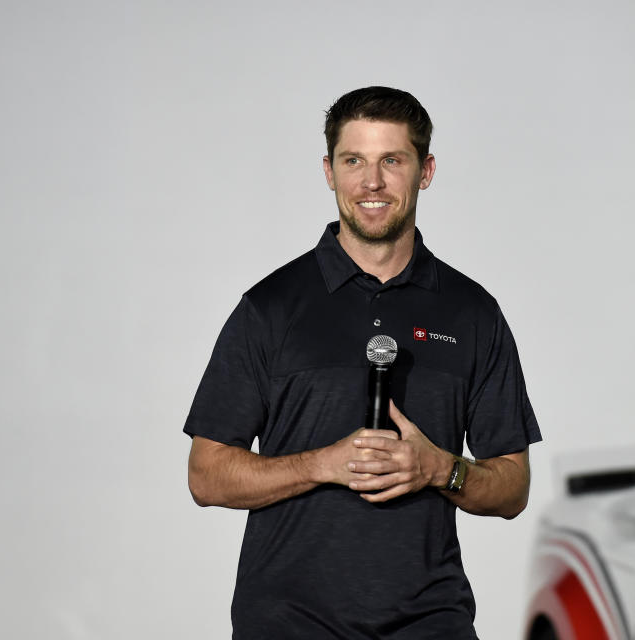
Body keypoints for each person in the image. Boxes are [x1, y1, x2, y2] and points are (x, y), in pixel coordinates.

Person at [184, 86, 542, 639]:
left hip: (429, 622)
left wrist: (437, 468)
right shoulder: (270, 308)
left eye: (391, 161)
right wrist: (321, 464)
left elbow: (513, 488)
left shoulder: (474, 313)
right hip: (287, 624)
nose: (371, 183)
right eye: (354, 161)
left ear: (425, 171)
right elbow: (206, 476)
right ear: (329, 171)